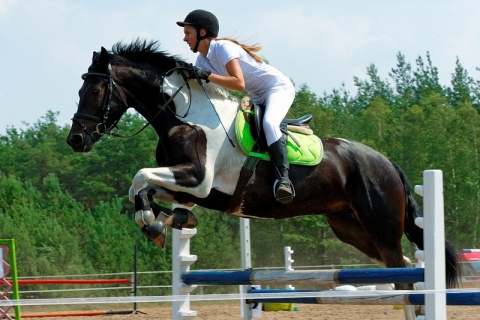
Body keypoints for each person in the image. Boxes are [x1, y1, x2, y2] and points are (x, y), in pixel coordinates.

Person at [177, 9, 295, 204]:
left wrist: (206, 75)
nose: (185, 39)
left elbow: (238, 83)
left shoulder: (223, 47)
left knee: (269, 123)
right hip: (257, 95)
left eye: (188, 33)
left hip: (277, 88)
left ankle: (284, 179)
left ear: (202, 33)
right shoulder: (202, 60)